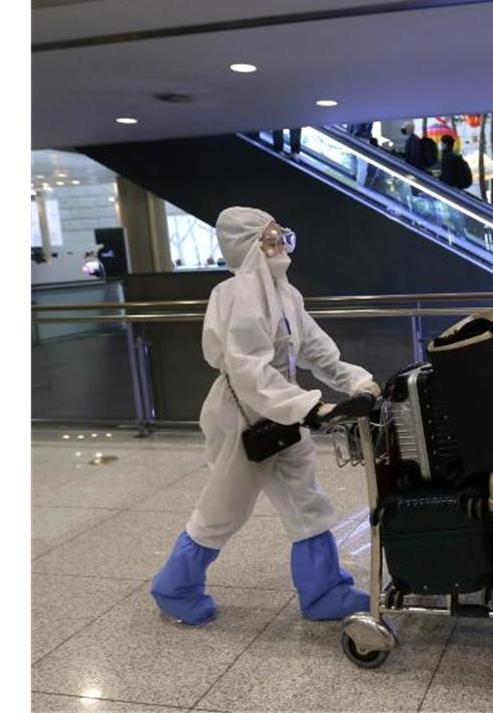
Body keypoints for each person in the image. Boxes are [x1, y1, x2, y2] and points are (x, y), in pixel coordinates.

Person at [150, 206, 382, 626]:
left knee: (306, 500)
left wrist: (357, 382)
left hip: (284, 412)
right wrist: (312, 407)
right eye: (270, 239)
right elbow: (249, 371)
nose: (281, 247)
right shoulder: (235, 295)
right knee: (224, 509)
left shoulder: (285, 294)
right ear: (248, 247)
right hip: (242, 415)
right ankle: (174, 587)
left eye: (282, 237)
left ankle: (325, 591)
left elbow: (315, 349)